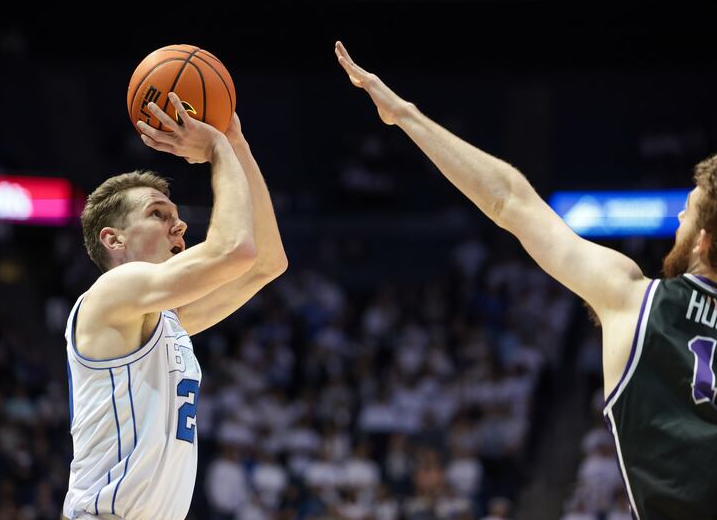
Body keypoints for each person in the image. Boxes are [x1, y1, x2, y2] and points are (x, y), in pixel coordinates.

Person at [334, 41, 717, 519]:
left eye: (686, 213)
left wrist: (407, 116)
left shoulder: (635, 299)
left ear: (701, 241)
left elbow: (511, 202)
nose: (678, 214)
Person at [62, 93, 287, 519]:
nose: (179, 223)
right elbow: (235, 250)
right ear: (114, 239)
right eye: (158, 214)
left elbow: (268, 263)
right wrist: (217, 151)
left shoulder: (167, 320)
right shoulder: (111, 294)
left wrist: (237, 142)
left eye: (176, 215)